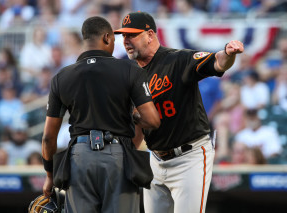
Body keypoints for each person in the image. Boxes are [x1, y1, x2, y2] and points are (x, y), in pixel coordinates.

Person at [114, 11, 244, 213]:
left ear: (150, 35)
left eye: (132, 35)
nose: (126, 40)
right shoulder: (131, 74)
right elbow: (138, 126)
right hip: (155, 159)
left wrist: (228, 54)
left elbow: (216, 62)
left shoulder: (177, 59)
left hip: (189, 157)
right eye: (124, 36)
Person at [41, 16, 160, 213]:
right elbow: (152, 120)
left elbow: (47, 137)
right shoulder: (129, 69)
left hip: (78, 157)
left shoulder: (61, 77)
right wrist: (131, 115)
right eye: (114, 39)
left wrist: (49, 175)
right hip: (117, 155)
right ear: (107, 37)